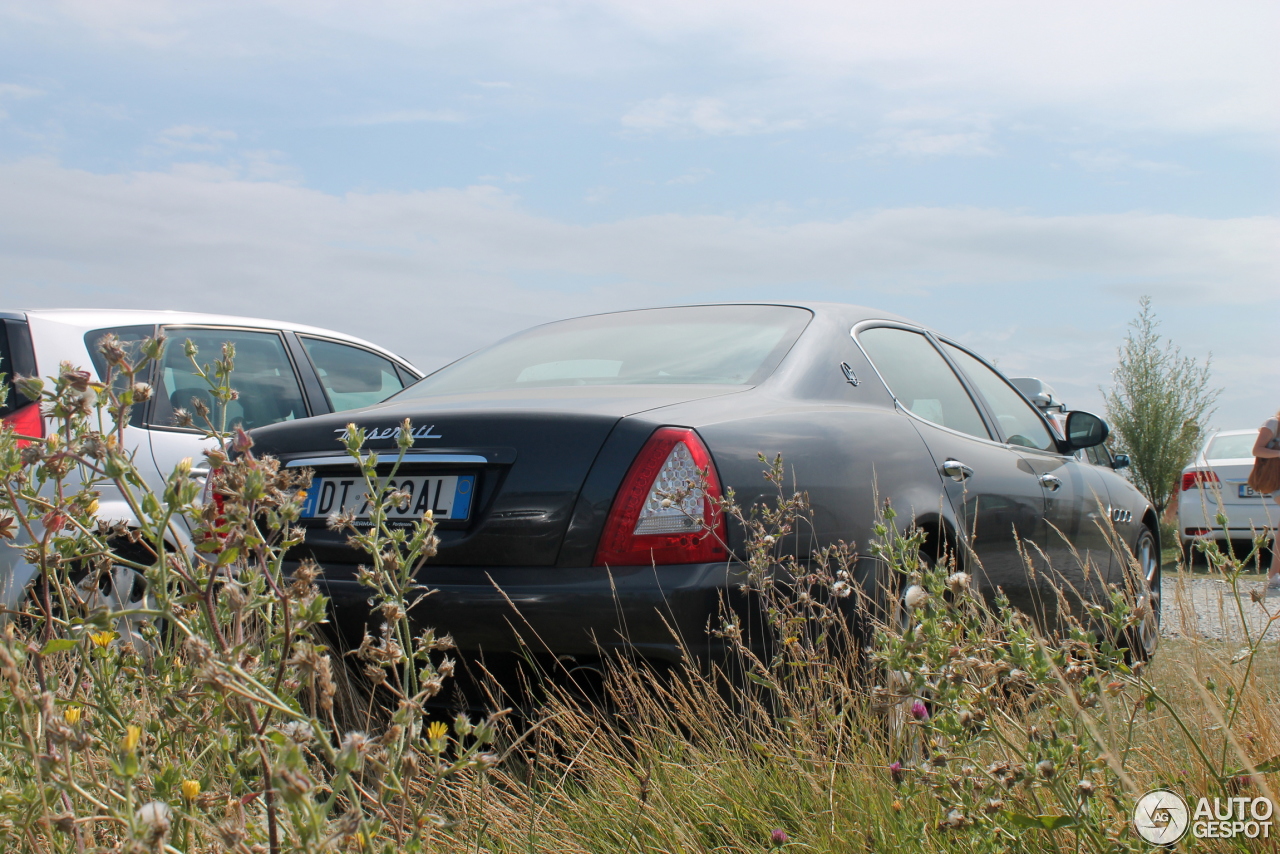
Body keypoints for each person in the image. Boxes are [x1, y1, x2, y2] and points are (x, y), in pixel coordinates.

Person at [1253, 409, 1280, 589]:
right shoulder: (1273, 423)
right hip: (1277, 480)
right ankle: (1273, 576)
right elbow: (1257, 450)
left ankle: (1273, 576)